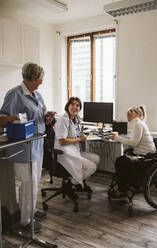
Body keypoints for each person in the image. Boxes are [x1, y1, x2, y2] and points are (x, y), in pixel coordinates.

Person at [0, 63, 56, 232]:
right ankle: (26, 220)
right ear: (31, 79)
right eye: (40, 79)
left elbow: (41, 118)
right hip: (23, 148)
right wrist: (12, 117)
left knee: (34, 183)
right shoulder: (14, 94)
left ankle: (30, 210)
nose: (41, 82)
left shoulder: (37, 95)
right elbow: (1, 119)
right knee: (28, 184)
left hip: (37, 146)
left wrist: (48, 118)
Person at [107, 105, 156, 199]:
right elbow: (134, 141)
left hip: (146, 157)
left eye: (131, 111)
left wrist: (116, 137)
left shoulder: (138, 124)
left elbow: (134, 143)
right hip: (144, 155)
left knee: (120, 161)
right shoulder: (138, 124)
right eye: (128, 111)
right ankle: (124, 187)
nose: (128, 113)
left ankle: (123, 190)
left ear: (138, 114)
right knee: (121, 161)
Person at [54, 97, 100, 191]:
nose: (75, 107)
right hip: (64, 153)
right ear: (68, 106)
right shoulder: (63, 120)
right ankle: (70, 184)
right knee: (92, 167)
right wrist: (79, 139)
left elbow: (76, 132)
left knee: (96, 159)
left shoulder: (76, 118)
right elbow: (62, 141)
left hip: (74, 150)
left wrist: (82, 133)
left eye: (77, 105)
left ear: (80, 108)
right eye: (72, 104)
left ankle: (78, 181)